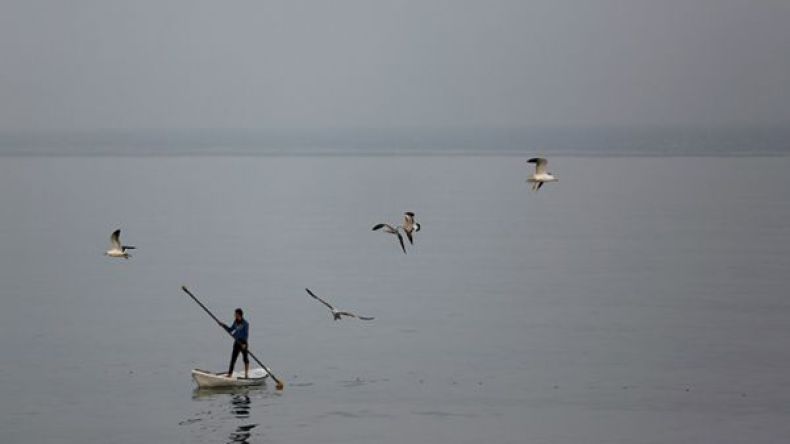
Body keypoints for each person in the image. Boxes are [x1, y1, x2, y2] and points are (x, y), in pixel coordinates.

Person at [219, 308, 249, 378]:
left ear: (239, 315)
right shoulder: (235, 322)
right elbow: (230, 330)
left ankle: (246, 374)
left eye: (235, 314)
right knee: (233, 359)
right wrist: (223, 325)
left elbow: (246, 334)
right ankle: (230, 374)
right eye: (235, 314)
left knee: (245, 359)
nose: (234, 315)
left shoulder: (245, 324)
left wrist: (244, 344)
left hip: (243, 343)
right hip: (237, 342)